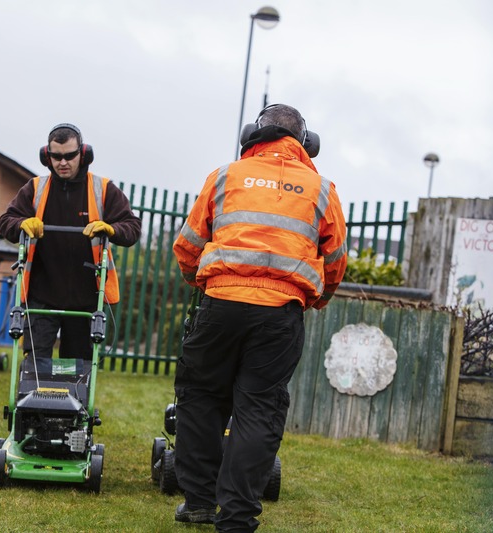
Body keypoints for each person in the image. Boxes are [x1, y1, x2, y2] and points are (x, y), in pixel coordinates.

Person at [171, 104, 347, 531]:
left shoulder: (224, 177)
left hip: (220, 305)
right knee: (259, 410)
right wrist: (315, 298)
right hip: (280, 316)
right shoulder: (322, 189)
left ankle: (198, 503)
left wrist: (202, 283)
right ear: (306, 144)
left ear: (253, 134)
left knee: (200, 398)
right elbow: (335, 260)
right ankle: (236, 518)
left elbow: (188, 244)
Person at [0, 123, 141, 361]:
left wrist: (111, 229)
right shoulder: (35, 188)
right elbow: (6, 221)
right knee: (35, 367)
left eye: (69, 156)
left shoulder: (103, 189)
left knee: (78, 371)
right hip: (41, 296)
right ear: (47, 156)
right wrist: (21, 224)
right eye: (56, 157)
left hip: (86, 299)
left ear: (83, 154)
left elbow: (132, 227)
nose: (62, 162)